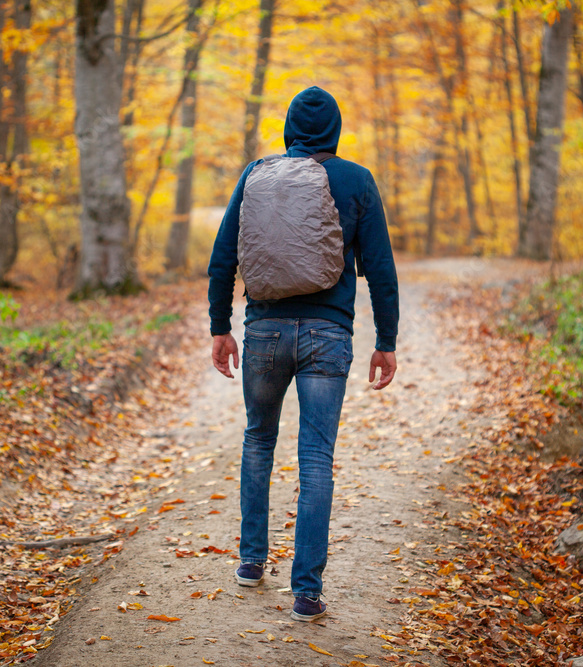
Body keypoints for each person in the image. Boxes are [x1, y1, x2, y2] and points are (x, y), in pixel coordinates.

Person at [207, 86, 399, 622]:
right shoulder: (357, 180)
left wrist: (220, 327)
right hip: (327, 336)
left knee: (258, 438)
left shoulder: (256, 174)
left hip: (264, 333)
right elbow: (379, 270)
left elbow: (224, 257)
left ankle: (250, 562)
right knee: (316, 457)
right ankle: (306, 593)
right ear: (335, 130)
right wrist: (386, 340)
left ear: (290, 130)